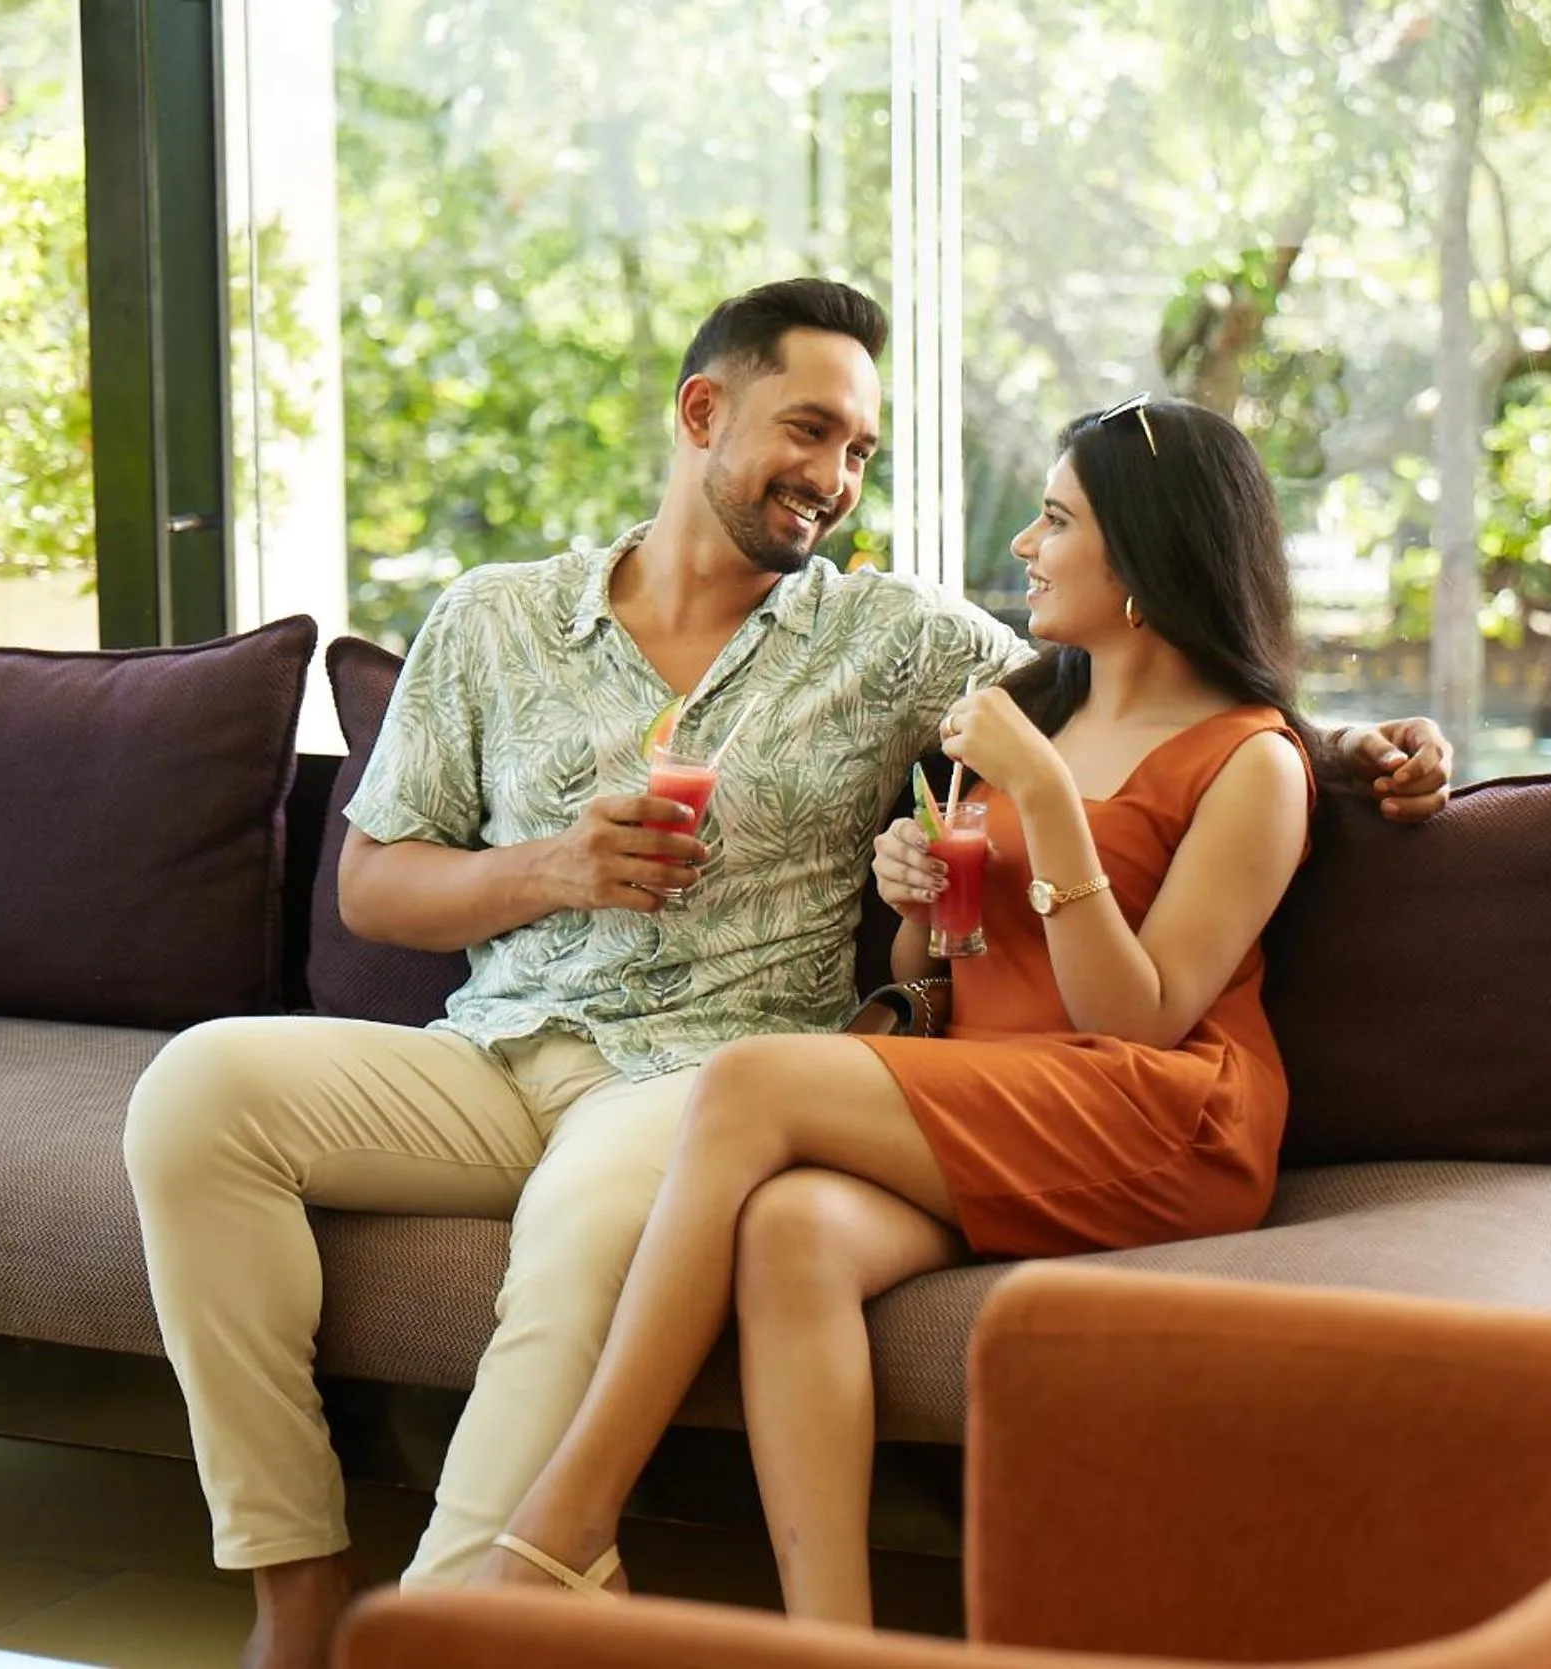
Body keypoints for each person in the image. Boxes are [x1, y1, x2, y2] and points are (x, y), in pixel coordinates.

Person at [120, 278, 1450, 1669]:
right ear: (703, 412)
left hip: (703, 1072)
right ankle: (299, 1587)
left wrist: (1356, 750)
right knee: (196, 1093)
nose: (832, 478)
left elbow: (1164, 684)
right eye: (808, 431)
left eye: (860, 451)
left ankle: (470, 1610)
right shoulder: (490, 619)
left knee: (584, 1231)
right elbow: (372, 884)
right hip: (493, 1050)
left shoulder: (893, 639)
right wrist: (553, 869)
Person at [477, 395, 1344, 1624]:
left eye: (1054, 521)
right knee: (791, 1231)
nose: (1025, 549)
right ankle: (831, 1641)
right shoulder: (1033, 710)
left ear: (1147, 554)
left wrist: (1041, 800)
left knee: (749, 1082)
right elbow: (952, 971)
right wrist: (918, 901)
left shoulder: (1250, 759)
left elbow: (1135, 1016)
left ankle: (565, 1520)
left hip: (1162, 1117)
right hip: (1000, 1089)